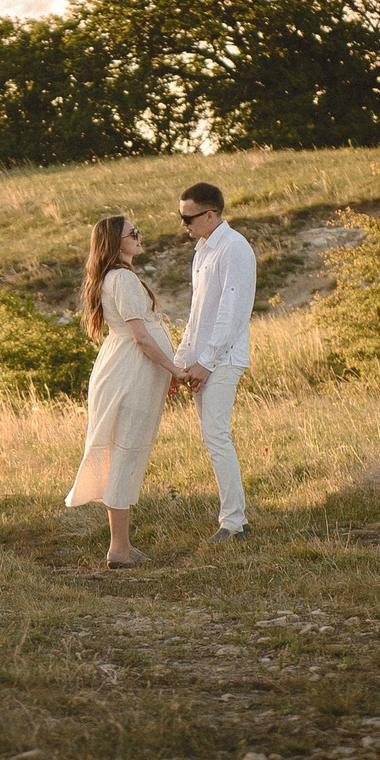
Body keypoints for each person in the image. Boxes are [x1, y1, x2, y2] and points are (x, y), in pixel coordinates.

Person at [64, 214, 187, 567]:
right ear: (114, 243)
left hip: (127, 370)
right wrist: (175, 370)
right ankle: (119, 548)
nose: (139, 236)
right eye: (133, 233)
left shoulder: (116, 277)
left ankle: (122, 545)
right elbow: (141, 336)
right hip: (129, 373)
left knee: (125, 452)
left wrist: (166, 373)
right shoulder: (123, 279)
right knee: (124, 453)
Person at [173, 181, 256, 539]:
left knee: (216, 435)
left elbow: (231, 313)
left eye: (188, 218)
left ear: (211, 215)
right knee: (212, 437)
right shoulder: (202, 251)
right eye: (181, 217)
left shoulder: (234, 248)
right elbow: (197, 316)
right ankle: (235, 519)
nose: (184, 224)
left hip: (223, 358)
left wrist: (206, 362)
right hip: (201, 360)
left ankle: (234, 523)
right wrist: (178, 364)